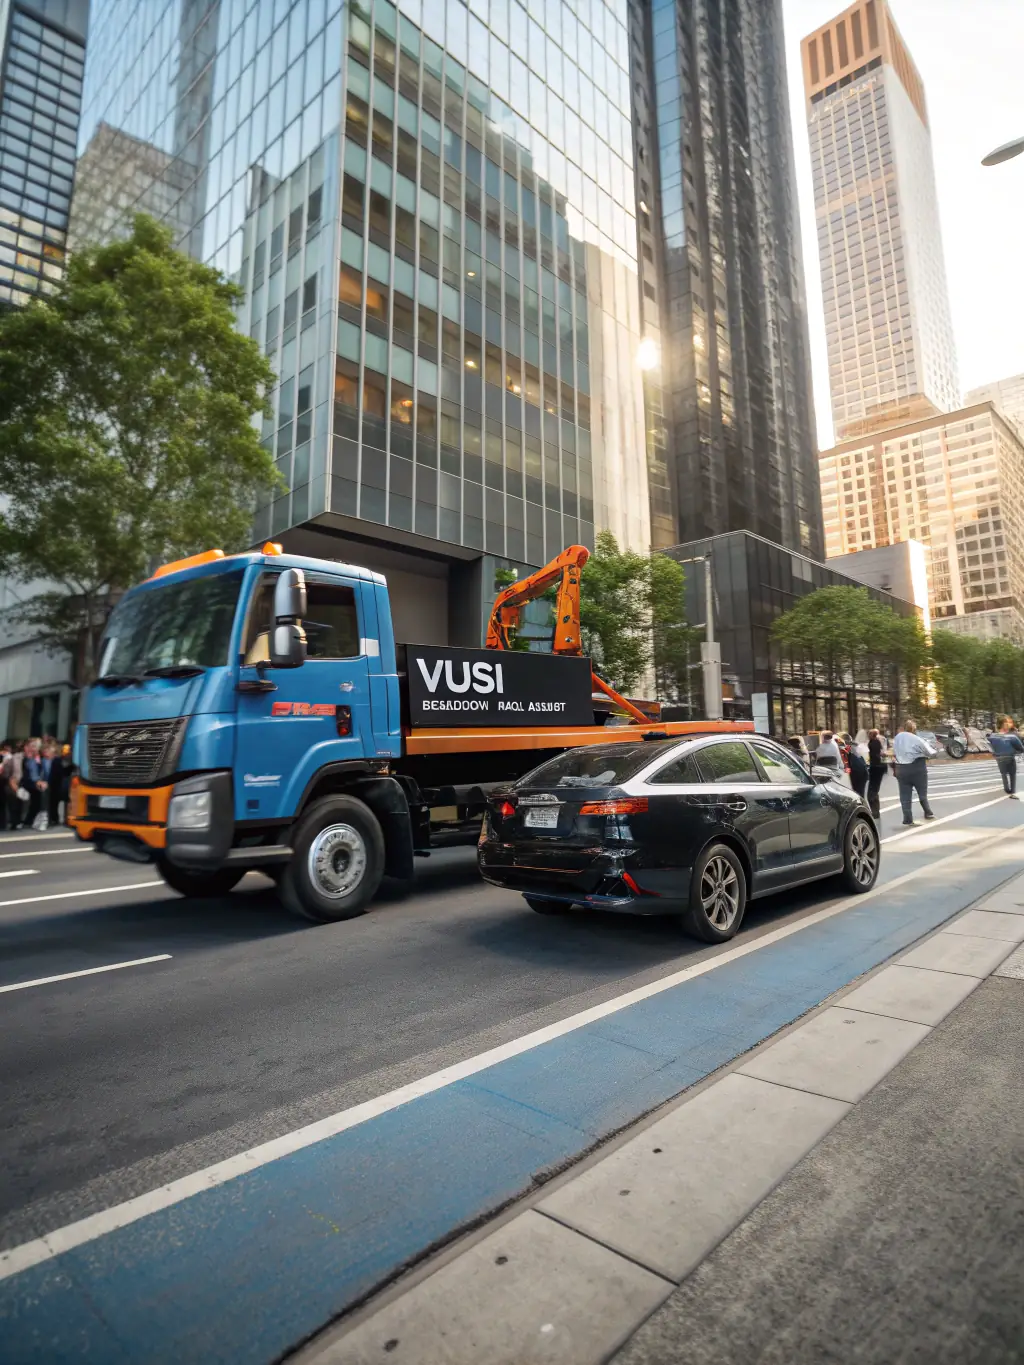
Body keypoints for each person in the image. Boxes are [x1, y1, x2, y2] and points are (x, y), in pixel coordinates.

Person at [892, 719, 936, 825]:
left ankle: (907, 818)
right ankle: (928, 812)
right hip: (917, 767)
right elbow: (929, 752)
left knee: (904, 794)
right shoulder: (917, 739)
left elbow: (894, 751)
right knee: (922, 792)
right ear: (913, 729)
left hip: (901, 768)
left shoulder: (897, 738)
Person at [987, 716, 1024, 800]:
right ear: (1004, 725)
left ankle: (1007, 789)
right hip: (1010, 757)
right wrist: (1017, 751)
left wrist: (995, 753)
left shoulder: (992, 737)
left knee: (1003, 774)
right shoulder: (1012, 737)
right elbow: (1021, 748)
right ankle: (1012, 792)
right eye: (1007, 723)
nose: (1009, 724)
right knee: (1012, 774)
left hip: (999, 758)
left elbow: (989, 746)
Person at [866, 728, 887, 819]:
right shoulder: (878, 742)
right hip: (879, 766)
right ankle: (875, 812)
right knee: (875, 789)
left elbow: (874, 755)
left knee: (872, 791)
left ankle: (874, 812)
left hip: (875, 767)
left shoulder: (873, 743)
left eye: (869, 734)